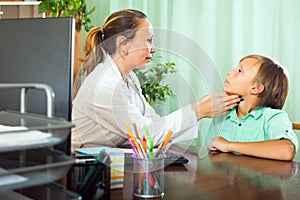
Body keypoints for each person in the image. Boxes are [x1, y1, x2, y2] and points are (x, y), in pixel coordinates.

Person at [71, 9, 240, 152]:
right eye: (148, 40)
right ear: (124, 44)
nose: (154, 49)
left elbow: (153, 122)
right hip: (82, 163)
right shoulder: (105, 86)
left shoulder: (129, 78)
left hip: (107, 154)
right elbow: (148, 134)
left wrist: (199, 109)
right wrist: (198, 110)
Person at [206, 54, 298, 161]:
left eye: (240, 71)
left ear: (255, 88)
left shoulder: (273, 117)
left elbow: (286, 151)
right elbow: (209, 154)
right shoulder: (222, 116)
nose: (230, 72)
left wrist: (229, 145)